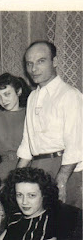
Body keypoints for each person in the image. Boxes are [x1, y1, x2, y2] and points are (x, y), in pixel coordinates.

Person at [17, 40, 82, 208]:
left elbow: (75, 145)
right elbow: (27, 143)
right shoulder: (32, 97)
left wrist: (61, 182)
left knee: (65, 224)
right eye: (29, 64)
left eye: (41, 61)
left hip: (64, 168)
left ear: (55, 62)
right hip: (38, 167)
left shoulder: (70, 95)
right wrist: (16, 177)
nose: (34, 69)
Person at [0, 73, 31, 181]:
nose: (3, 101)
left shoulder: (30, 114)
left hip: (29, 170)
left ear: (18, 91)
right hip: (4, 173)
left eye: (7, 94)